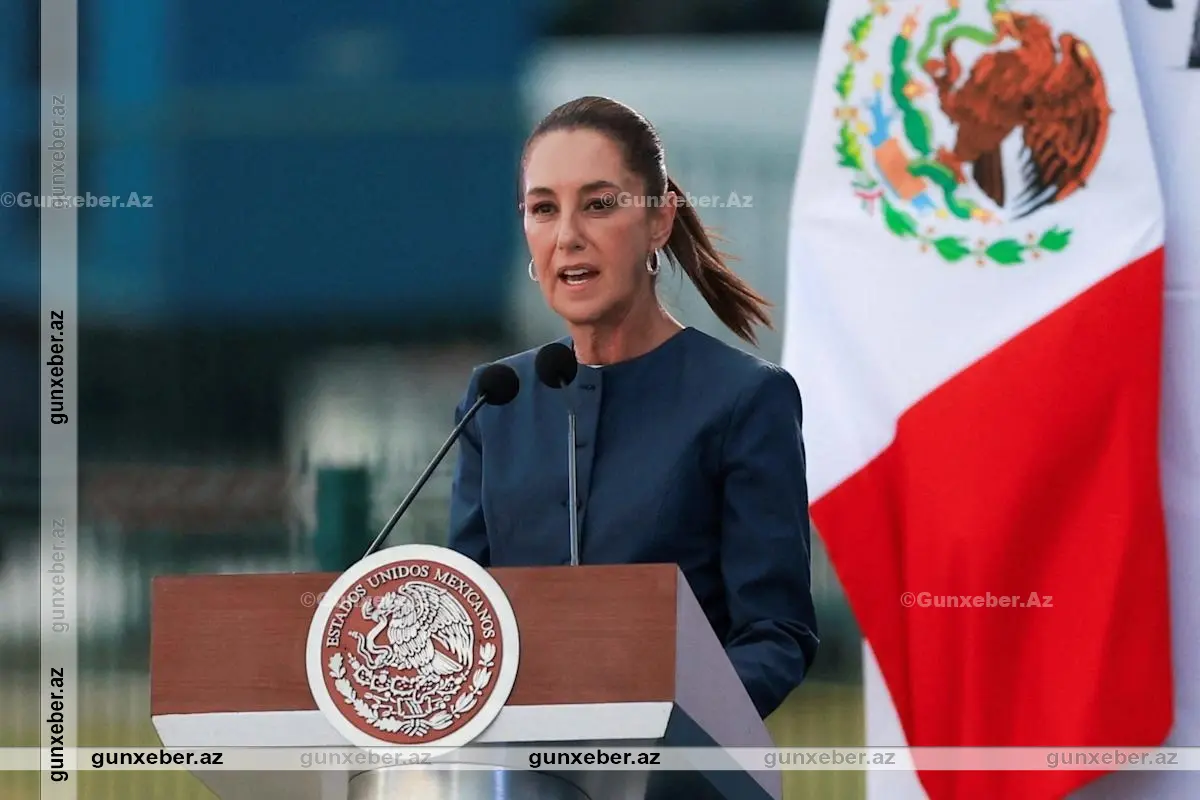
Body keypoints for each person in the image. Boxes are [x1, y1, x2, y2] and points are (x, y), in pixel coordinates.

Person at [447, 95, 818, 719]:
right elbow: (466, 621)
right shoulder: (496, 399)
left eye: (599, 205)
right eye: (543, 209)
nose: (568, 237)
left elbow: (775, 635)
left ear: (659, 220)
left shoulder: (745, 398)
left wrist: (661, 724)